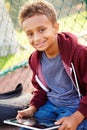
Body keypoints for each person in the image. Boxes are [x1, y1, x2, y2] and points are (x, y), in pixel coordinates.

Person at [16, 0, 87, 130]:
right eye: (30, 34)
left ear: (55, 27)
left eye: (42, 30)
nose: (36, 38)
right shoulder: (34, 60)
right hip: (50, 105)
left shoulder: (80, 53)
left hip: (76, 107)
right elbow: (41, 90)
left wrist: (76, 117)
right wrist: (32, 108)